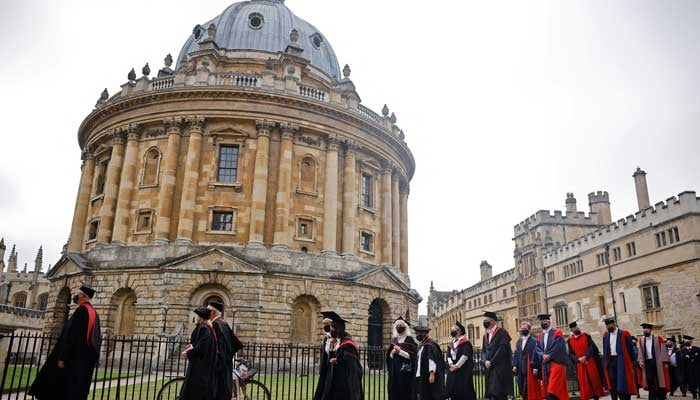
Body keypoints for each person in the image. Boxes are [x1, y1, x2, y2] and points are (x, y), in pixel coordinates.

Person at [29, 284, 101, 400]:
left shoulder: (81, 311)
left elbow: (71, 336)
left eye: (77, 294)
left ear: (83, 296)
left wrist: (62, 357)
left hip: (71, 359)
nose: (75, 296)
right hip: (83, 360)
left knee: (58, 386)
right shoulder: (93, 313)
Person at [320, 311, 363, 400]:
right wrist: (332, 348)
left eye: (331, 328)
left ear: (337, 329)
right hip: (333, 377)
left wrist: (338, 360)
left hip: (344, 380)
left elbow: (352, 364)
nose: (330, 330)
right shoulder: (333, 341)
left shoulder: (348, 344)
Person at [208, 301, 243, 400]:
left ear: (213, 312)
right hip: (226, 363)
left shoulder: (216, 325)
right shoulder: (223, 323)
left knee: (218, 393)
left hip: (219, 365)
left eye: (208, 310)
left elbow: (218, 347)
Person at [180, 307, 218, 400]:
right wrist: (190, 347)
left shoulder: (204, 328)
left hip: (200, 366)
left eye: (196, 315)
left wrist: (188, 353)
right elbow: (198, 343)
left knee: (196, 392)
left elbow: (202, 346)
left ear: (200, 317)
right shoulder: (204, 328)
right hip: (201, 365)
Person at [567, 321, 605, 400]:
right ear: (571, 330)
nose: (575, 329)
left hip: (590, 362)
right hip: (580, 364)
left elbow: (592, 347)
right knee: (584, 383)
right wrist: (578, 359)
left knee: (593, 381)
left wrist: (586, 356)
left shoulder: (586, 336)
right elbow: (571, 354)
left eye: (576, 327)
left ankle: (596, 397)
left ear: (578, 327)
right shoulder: (570, 341)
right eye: (573, 328)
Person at [602, 317, 638, 400]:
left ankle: (624, 398)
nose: (608, 327)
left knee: (622, 380)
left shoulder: (625, 334)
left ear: (614, 324)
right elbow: (605, 350)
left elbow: (630, 349)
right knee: (612, 381)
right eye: (607, 326)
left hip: (622, 361)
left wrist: (633, 360)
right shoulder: (606, 335)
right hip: (611, 361)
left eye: (609, 325)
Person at [535, 314, 569, 400]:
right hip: (546, 365)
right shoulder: (540, 336)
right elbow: (538, 349)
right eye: (541, 322)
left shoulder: (557, 332)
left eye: (544, 321)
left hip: (556, 363)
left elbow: (558, 347)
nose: (543, 323)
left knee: (554, 389)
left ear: (549, 322)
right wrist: (542, 355)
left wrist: (549, 355)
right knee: (548, 391)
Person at [481, 311, 513, 400]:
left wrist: (492, 361)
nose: (485, 322)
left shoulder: (502, 332)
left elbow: (502, 349)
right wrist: (485, 361)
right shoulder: (485, 335)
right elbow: (483, 350)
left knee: (498, 393)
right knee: (491, 393)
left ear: (493, 321)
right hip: (489, 368)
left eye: (487, 320)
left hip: (499, 368)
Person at [386, 316, 417, 400]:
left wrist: (400, 351)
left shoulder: (409, 340)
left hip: (405, 372)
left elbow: (413, 356)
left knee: (405, 391)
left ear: (405, 327)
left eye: (401, 325)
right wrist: (392, 353)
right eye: (397, 325)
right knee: (394, 390)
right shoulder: (394, 340)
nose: (399, 327)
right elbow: (389, 358)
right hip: (394, 371)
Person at [637, 323, 670, 400]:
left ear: (650, 330)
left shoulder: (658, 338)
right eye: (644, 329)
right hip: (647, 362)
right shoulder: (641, 340)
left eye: (646, 329)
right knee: (650, 380)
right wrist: (640, 360)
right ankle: (652, 396)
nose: (645, 330)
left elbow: (663, 350)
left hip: (657, 362)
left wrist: (665, 361)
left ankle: (661, 395)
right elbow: (640, 352)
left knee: (659, 379)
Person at [413, 324, 445, 400]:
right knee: (422, 394)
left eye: (417, 333)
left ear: (423, 334)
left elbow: (432, 360)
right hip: (421, 374)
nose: (416, 335)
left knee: (430, 394)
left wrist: (432, 373)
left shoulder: (430, 344)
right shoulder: (421, 345)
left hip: (427, 375)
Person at [446, 321, 476, 400]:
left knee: (463, 393)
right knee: (453, 392)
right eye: (452, 329)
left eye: (455, 329)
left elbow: (465, 356)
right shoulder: (451, 344)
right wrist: (451, 364)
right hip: (453, 371)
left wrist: (456, 366)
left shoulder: (466, 343)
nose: (453, 330)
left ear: (460, 332)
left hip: (462, 371)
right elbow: (448, 356)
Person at [512, 321, 542, 400]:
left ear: (529, 329)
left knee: (529, 390)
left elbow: (536, 355)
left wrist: (536, 367)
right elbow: (516, 354)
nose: (523, 330)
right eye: (522, 329)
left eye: (525, 328)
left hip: (530, 370)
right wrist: (514, 365)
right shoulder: (519, 341)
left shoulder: (534, 341)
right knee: (522, 390)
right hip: (520, 370)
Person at [313, 313, 334, 400]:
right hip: (326, 368)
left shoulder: (337, 338)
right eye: (324, 324)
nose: (325, 326)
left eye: (327, 325)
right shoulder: (326, 338)